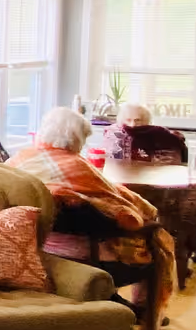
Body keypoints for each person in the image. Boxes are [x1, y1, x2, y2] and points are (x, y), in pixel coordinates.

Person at [9, 107, 174, 308]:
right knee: (156, 237)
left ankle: (111, 298)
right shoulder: (78, 166)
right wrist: (144, 212)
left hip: (38, 246)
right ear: (76, 138)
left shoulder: (20, 160)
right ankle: (145, 307)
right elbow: (115, 201)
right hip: (85, 254)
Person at [101, 101, 189, 164]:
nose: (132, 125)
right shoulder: (112, 132)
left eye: (137, 120)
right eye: (128, 120)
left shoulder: (159, 134)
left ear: (146, 120)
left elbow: (172, 159)